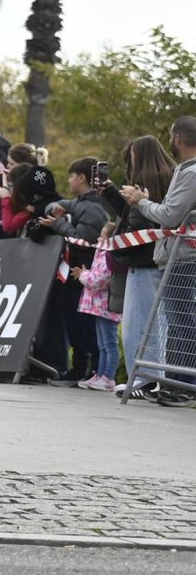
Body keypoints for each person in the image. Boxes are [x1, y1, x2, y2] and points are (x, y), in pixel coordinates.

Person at [117, 117, 196, 404]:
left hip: (184, 257)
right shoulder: (184, 170)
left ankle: (185, 385)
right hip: (176, 256)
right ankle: (178, 383)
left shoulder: (190, 172)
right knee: (177, 322)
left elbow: (170, 216)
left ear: (177, 138)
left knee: (182, 322)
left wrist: (139, 201)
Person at [101, 136, 176, 397]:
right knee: (160, 325)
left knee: (136, 324)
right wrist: (112, 194)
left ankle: (140, 379)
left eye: (131, 155)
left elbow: (139, 221)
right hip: (162, 259)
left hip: (142, 262)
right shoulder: (170, 177)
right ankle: (154, 378)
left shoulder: (145, 181)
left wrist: (120, 242)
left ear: (139, 155)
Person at [37, 157, 112, 382]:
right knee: (74, 322)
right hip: (75, 274)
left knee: (84, 326)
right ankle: (80, 368)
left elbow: (80, 237)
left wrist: (58, 224)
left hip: (85, 274)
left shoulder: (94, 209)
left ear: (81, 177)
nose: (68, 181)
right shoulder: (80, 203)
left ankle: (89, 369)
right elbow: (63, 206)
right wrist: (54, 209)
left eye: (71, 176)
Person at [75, 219, 122, 391]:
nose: (99, 238)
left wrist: (83, 275)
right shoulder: (101, 255)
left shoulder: (109, 257)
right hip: (99, 307)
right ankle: (100, 375)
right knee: (102, 344)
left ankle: (108, 377)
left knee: (109, 344)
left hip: (107, 307)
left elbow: (97, 280)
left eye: (102, 235)